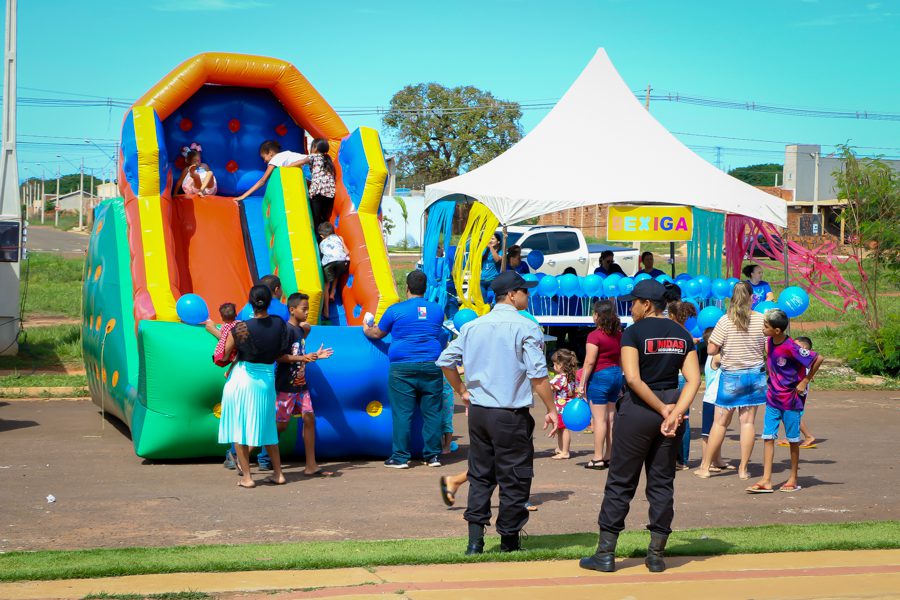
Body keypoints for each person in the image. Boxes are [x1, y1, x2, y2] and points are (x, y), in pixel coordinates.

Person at [580, 280, 700, 573]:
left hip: (639, 410)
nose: (629, 307)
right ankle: (656, 555)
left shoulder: (633, 333)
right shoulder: (682, 334)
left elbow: (633, 379)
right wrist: (674, 413)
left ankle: (606, 554)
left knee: (621, 481)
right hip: (673, 405)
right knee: (661, 483)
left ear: (646, 304)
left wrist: (660, 409)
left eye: (633, 302)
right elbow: (694, 379)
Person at [437, 270, 559, 554]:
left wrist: (462, 392)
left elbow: (445, 361)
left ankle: (474, 541)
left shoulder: (473, 326)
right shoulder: (526, 326)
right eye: (525, 291)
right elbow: (539, 375)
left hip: (479, 412)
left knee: (480, 475)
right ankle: (509, 540)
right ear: (513, 294)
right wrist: (551, 410)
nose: (528, 296)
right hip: (509, 413)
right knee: (515, 476)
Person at [364, 270, 447, 469]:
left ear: (407, 288)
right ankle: (433, 456)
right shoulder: (437, 310)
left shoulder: (395, 310)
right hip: (431, 365)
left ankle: (400, 457)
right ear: (425, 288)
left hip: (402, 368)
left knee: (403, 413)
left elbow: (378, 333)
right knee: (433, 413)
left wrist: (366, 328)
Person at [217, 285, 297, 488]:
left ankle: (247, 477)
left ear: (250, 302)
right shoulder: (279, 324)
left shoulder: (241, 327)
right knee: (268, 427)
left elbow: (224, 356)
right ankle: (278, 474)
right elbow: (281, 351)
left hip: (243, 379)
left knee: (240, 429)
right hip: (267, 378)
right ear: (270, 301)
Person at [694, 282, 766, 481]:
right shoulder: (761, 320)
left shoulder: (725, 321)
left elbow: (711, 350)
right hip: (755, 374)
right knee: (748, 423)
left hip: (731, 375)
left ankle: (706, 467)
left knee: (720, 422)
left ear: (732, 298)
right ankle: (743, 469)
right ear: (752, 297)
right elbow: (767, 346)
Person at [746, 309, 823, 493]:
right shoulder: (769, 341)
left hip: (791, 400)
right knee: (767, 438)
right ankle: (766, 480)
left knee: (793, 440)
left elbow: (818, 358)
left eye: (766, 327)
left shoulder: (791, 347)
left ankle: (793, 478)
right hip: (772, 398)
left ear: (778, 330)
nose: (763, 329)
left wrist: (805, 381)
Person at [275, 293, 334, 476]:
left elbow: (299, 356)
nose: (307, 312)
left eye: (308, 308)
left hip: (301, 385)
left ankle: (311, 465)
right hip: (286, 386)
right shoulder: (286, 330)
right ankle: (244, 451)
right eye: (304, 309)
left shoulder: (300, 331)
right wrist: (303, 357)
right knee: (281, 426)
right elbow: (280, 356)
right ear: (292, 310)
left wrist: (313, 356)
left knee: (309, 418)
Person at [576, 299, 622, 470]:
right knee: (610, 419)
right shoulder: (619, 334)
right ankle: (610, 455)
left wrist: (581, 384)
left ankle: (597, 458)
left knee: (599, 420)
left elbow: (589, 362)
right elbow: (620, 358)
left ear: (597, 315)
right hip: (616, 375)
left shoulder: (594, 336)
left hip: (600, 378)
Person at [666, 300, 698, 470]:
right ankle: (682, 459)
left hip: (674, 378)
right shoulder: (688, 334)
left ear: (671, 315)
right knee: (684, 419)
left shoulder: (670, 332)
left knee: (671, 416)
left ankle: (672, 458)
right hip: (686, 380)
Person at [699, 328, 733, 472]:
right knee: (708, 433)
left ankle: (717, 459)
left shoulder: (715, 355)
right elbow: (729, 359)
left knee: (718, 429)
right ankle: (705, 461)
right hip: (712, 399)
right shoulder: (716, 356)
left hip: (719, 399)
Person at [234, 140, 308, 202]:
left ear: (270, 153)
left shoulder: (276, 159)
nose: (264, 161)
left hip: (309, 167)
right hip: (312, 164)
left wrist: (243, 196)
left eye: (264, 157)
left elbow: (263, 181)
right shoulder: (285, 155)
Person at [779, 336, 818, 449]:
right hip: (794, 387)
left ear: (804, 347)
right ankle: (790, 436)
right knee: (787, 411)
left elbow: (815, 362)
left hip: (799, 388)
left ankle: (808, 436)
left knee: (792, 413)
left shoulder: (803, 357)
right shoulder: (799, 357)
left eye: (796, 345)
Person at [317, 221, 350, 320]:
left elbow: (322, 254)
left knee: (326, 284)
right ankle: (332, 293)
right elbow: (347, 251)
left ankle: (326, 311)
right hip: (342, 261)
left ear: (322, 236)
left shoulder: (321, 243)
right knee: (337, 273)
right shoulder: (339, 237)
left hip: (328, 263)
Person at [550, 349, 579, 460]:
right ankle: (561, 448)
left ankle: (565, 451)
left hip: (561, 409)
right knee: (561, 429)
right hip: (568, 407)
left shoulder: (560, 378)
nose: (553, 366)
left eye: (554, 364)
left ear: (561, 365)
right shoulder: (571, 377)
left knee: (563, 429)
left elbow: (550, 387)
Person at [206, 302, 239, 367]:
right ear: (236, 314)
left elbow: (224, 337)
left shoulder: (225, 327)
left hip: (230, 352)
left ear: (222, 318)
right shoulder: (239, 323)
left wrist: (214, 329)